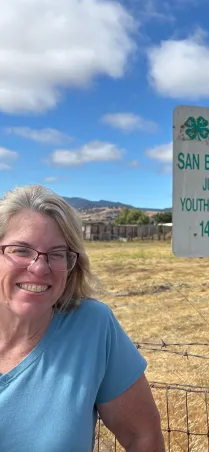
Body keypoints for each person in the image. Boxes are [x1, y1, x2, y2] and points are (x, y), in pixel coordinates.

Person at [0, 185, 165, 451]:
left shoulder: (92, 328)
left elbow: (143, 437)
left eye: (56, 254)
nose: (40, 267)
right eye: (21, 250)